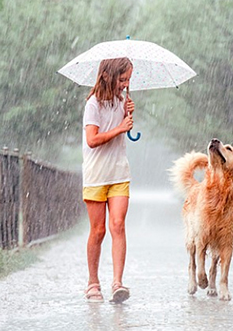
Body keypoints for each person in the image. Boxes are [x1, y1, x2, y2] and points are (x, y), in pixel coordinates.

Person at [82, 57, 134, 304]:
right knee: (98, 230)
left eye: (128, 80)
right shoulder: (93, 104)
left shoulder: (122, 101)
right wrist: (120, 128)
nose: (125, 84)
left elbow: (123, 130)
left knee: (118, 224)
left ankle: (117, 283)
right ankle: (93, 282)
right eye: (122, 79)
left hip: (119, 173)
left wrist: (127, 115)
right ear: (109, 76)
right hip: (96, 175)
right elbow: (92, 140)